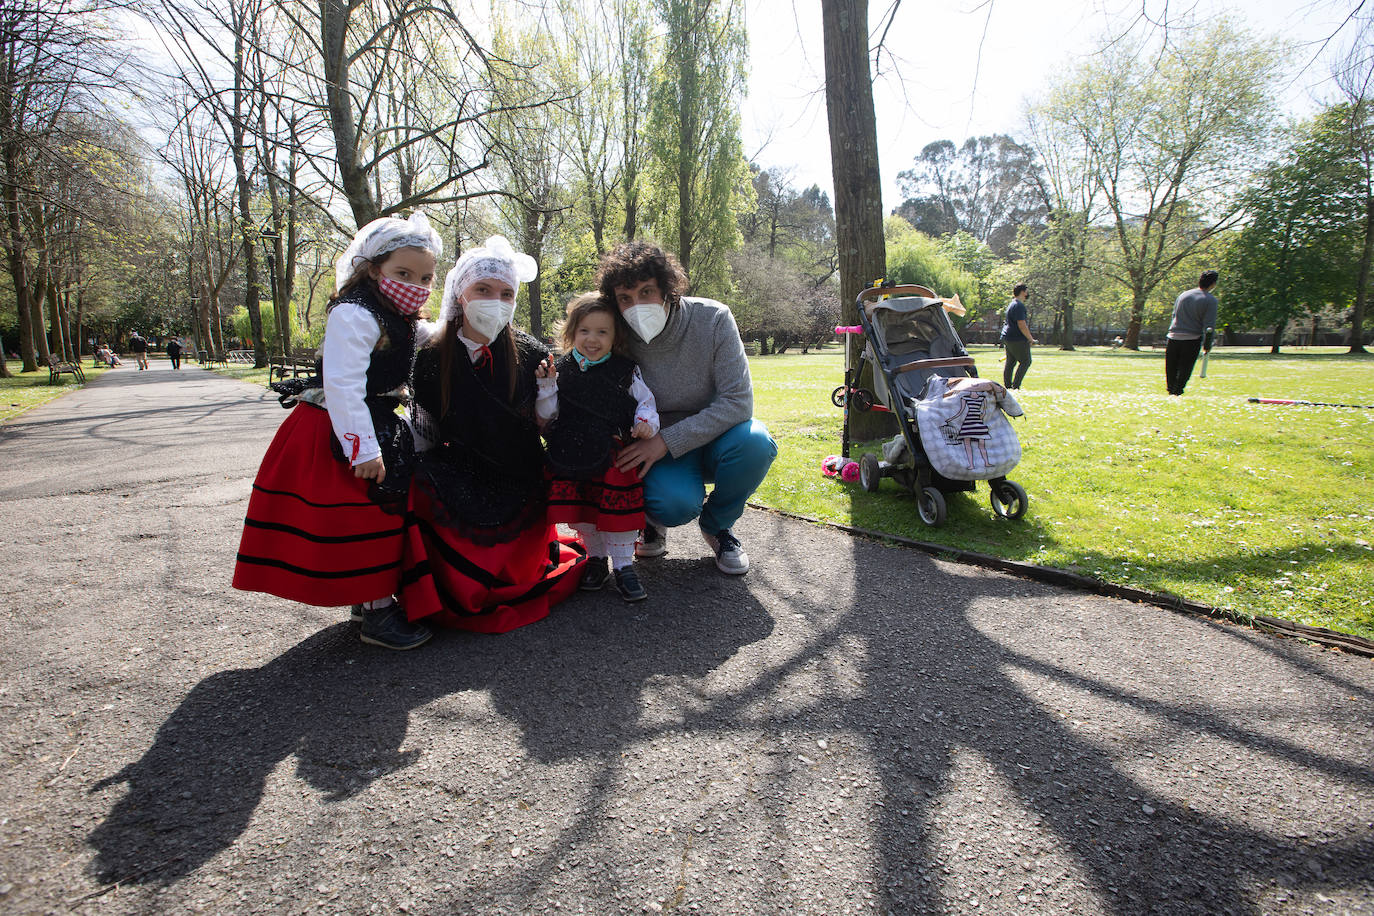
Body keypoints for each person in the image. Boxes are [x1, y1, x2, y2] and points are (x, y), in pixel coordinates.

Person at [232, 211, 443, 650]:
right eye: (403, 273)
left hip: (376, 423)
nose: (415, 284)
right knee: (361, 516)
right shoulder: (354, 313)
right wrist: (362, 448)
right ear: (373, 268)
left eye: (425, 277)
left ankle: (369, 601)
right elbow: (343, 385)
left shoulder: (396, 315)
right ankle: (376, 613)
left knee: (380, 512)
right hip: (341, 431)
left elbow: (428, 334)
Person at [400, 236, 584, 633]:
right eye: (483, 290)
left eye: (505, 293)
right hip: (461, 467)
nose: (494, 300)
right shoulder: (432, 357)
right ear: (461, 293)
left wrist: (548, 392)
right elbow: (426, 429)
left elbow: (548, 425)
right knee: (417, 482)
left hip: (519, 470)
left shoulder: (532, 352)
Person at [598, 241, 777, 575]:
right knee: (674, 505)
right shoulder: (616, 334)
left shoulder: (713, 319)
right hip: (655, 445)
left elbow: (738, 402)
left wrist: (666, 441)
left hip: (716, 438)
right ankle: (651, 520)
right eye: (625, 298)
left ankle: (718, 526)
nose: (636, 305)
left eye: (647, 292)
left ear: (669, 289)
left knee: (757, 443)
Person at [542, 293, 660, 603]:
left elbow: (645, 401)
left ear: (615, 336)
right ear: (572, 332)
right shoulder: (562, 369)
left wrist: (645, 422)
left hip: (611, 453)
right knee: (583, 510)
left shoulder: (625, 370)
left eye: (602, 332)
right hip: (571, 451)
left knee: (616, 512)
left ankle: (623, 565)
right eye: (584, 331)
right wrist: (545, 386)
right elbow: (549, 412)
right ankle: (596, 558)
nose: (592, 339)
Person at [1165, 270, 1219, 396]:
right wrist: (1208, 343)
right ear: (1213, 284)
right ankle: (1177, 391)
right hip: (1192, 338)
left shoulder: (1183, 295)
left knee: (1171, 366)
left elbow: (1174, 315)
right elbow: (1209, 325)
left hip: (1173, 336)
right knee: (1185, 367)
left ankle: (1171, 390)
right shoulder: (1210, 300)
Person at [999, 284, 1036, 389]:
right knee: (1026, 361)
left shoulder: (1012, 304)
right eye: (1026, 291)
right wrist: (1030, 338)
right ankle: (1016, 386)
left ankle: (1007, 386)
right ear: (1023, 292)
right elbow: (1022, 324)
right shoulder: (1019, 306)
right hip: (1017, 338)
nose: (1027, 294)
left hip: (1007, 337)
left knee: (1010, 362)